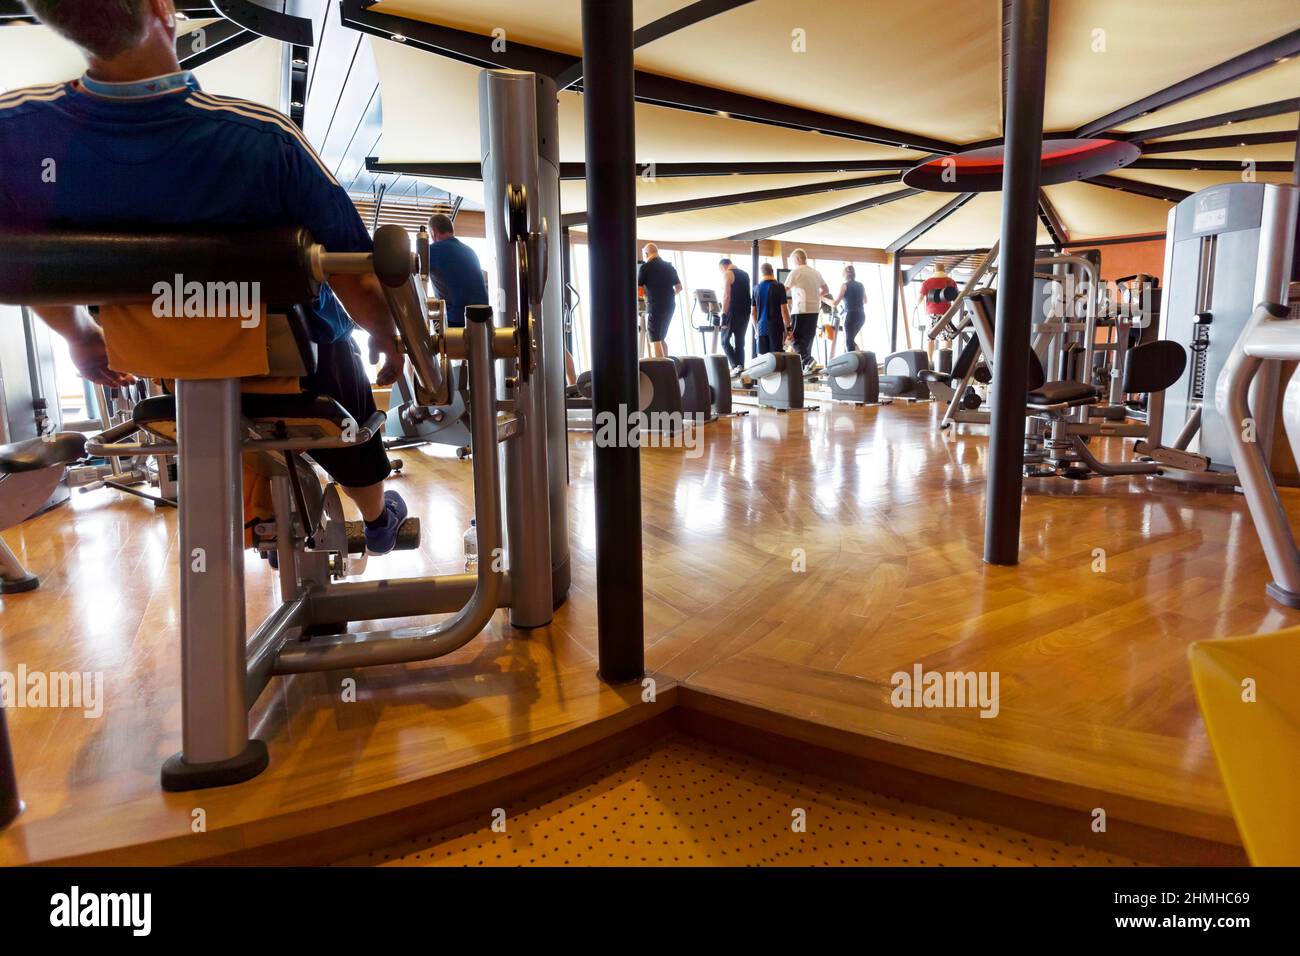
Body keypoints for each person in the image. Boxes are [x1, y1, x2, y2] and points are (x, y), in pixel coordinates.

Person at [1, 0, 411, 554]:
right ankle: (378, 515)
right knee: (346, 392)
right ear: (163, 9)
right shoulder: (263, 137)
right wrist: (389, 338)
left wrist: (79, 336)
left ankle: (269, 515)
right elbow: (356, 278)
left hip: (165, 363)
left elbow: (27, 266)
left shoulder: (16, 133)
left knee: (215, 377)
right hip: (301, 365)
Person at [426, 213, 489, 329]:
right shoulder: (469, 251)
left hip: (456, 319)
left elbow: (411, 268)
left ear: (433, 232)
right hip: (483, 318)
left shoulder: (432, 250)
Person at [784, 249, 830, 370]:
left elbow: (783, 290)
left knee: (794, 339)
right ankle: (808, 366)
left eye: (793, 260)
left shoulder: (795, 272)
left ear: (797, 259)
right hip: (814, 309)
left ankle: (808, 360)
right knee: (807, 340)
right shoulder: (815, 272)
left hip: (800, 309)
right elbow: (826, 289)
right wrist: (816, 297)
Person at [636, 243, 681, 358]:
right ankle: (668, 368)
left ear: (646, 254)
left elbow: (639, 291)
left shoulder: (645, 268)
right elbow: (679, 288)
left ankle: (661, 369)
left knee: (654, 338)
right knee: (661, 337)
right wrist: (668, 295)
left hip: (655, 306)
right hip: (670, 305)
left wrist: (643, 298)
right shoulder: (669, 266)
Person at [718, 258, 752, 373]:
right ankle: (740, 367)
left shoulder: (728, 273)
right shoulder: (745, 274)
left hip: (733, 311)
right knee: (739, 342)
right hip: (745, 311)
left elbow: (726, 296)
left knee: (724, 341)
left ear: (723, 267)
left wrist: (723, 314)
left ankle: (735, 366)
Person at [751, 263, 790, 355]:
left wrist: (756, 330)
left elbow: (753, 313)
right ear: (772, 272)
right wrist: (789, 329)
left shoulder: (755, 288)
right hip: (775, 329)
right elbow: (784, 311)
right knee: (776, 360)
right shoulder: (779, 286)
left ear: (762, 274)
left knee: (763, 361)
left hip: (761, 328)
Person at [834, 265, 867, 352]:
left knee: (848, 342)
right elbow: (865, 301)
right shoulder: (861, 285)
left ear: (844, 275)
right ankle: (860, 358)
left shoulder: (844, 285)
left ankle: (855, 363)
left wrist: (823, 299)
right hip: (861, 316)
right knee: (850, 340)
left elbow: (835, 303)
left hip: (850, 316)